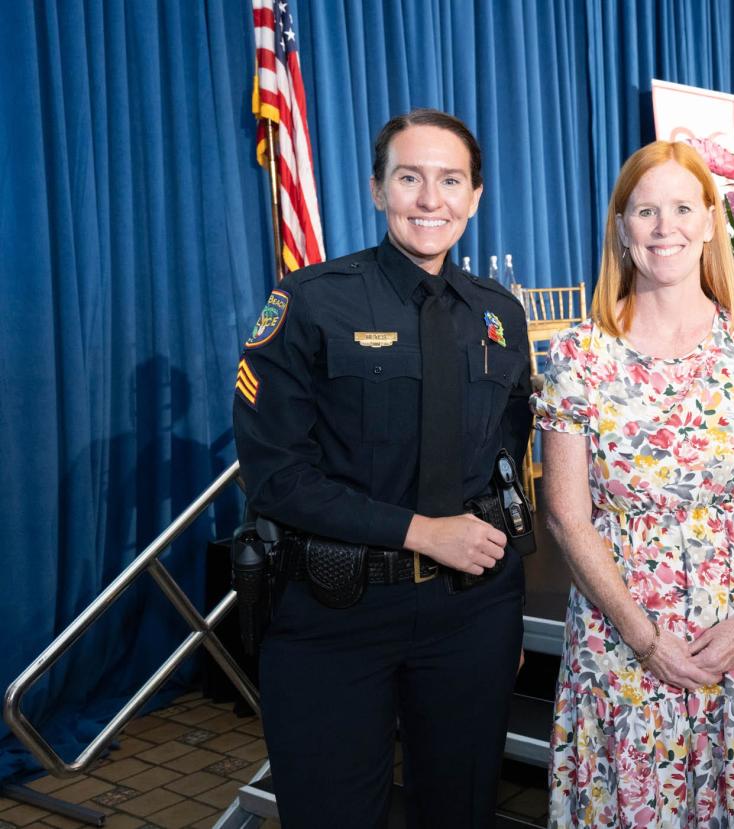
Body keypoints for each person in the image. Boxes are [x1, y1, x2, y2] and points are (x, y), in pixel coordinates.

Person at [232, 108, 531, 828]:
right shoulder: (309, 303)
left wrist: (509, 610)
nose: (430, 200)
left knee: (460, 811)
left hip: (471, 612)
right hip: (335, 611)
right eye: (409, 178)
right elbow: (275, 475)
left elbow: (507, 463)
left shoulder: (498, 315)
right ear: (377, 190)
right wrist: (421, 530)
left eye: (450, 180)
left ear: (476, 196)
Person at [534, 140, 734, 826]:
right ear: (621, 229)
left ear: (708, 222)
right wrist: (645, 638)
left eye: (680, 208)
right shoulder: (581, 355)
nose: (663, 226)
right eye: (645, 211)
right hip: (625, 650)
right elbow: (567, 518)